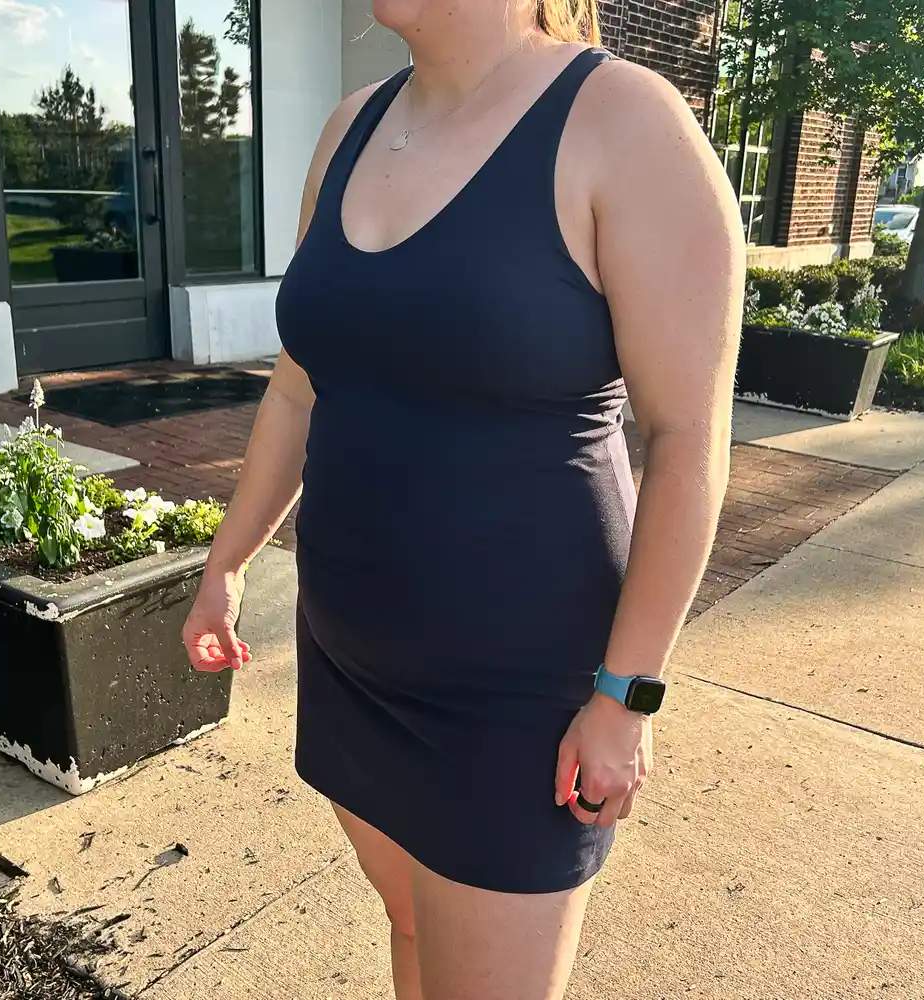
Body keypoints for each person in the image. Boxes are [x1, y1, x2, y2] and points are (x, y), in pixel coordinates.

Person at [180, 1, 744, 996]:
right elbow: (297, 388)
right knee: (408, 926)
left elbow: (687, 443)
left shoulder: (623, 121)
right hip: (349, 663)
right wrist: (225, 564)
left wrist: (627, 696)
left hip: (519, 703)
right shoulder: (349, 126)